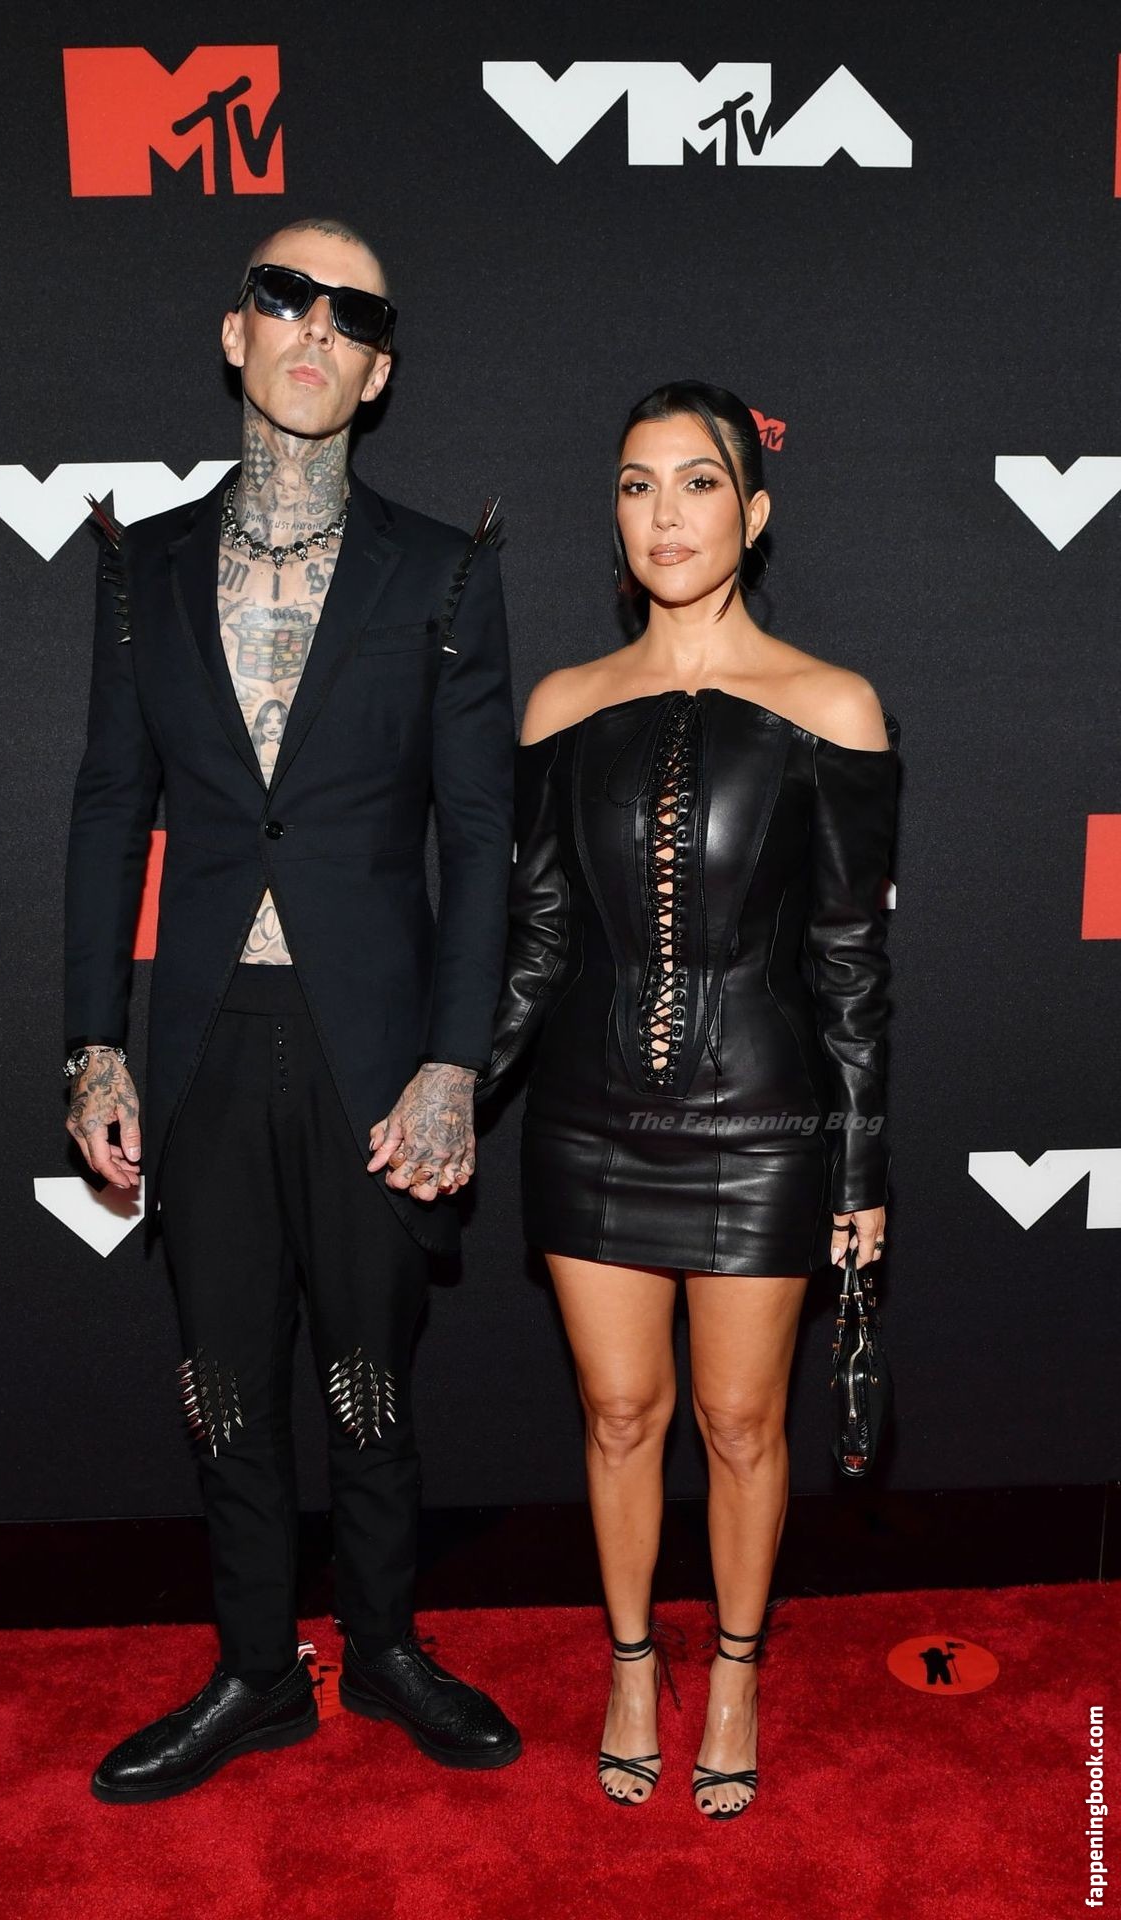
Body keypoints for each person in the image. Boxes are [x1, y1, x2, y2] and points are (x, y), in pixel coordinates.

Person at [62, 217, 520, 1801]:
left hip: (372, 1045)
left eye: (353, 312)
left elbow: (480, 836)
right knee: (227, 1379)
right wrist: (94, 1041)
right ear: (236, 331)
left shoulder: (445, 568)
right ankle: (257, 1670)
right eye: (285, 294)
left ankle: (383, 1646)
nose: (317, 325)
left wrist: (454, 1060)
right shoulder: (143, 564)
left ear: (377, 370)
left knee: (369, 1374)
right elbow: (110, 808)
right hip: (201, 1035)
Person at [476, 380, 900, 1820]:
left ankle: (732, 1673)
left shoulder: (832, 705)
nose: (665, 515)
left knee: (738, 1422)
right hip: (586, 1118)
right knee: (616, 1414)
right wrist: (450, 1091)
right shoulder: (562, 704)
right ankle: (628, 1662)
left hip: (765, 1126)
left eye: (699, 483)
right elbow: (540, 939)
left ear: (754, 512)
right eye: (637, 485)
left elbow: (849, 966)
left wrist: (860, 1169)